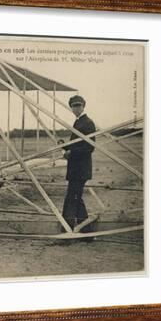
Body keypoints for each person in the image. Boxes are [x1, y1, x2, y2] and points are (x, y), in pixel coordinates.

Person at [61, 95, 96, 229]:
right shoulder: (78, 122)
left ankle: (69, 227)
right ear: (71, 108)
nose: (76, 108)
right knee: (75, 197)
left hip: (81, 168)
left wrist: (71, 152)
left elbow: (89, 147)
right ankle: (85, 229)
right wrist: (64, 146)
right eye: (74, 106)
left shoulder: (87, 123)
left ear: (83, 106)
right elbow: (76, 144)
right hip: (76, 168)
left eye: (78, 106)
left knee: (72, 197)